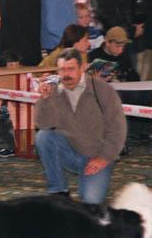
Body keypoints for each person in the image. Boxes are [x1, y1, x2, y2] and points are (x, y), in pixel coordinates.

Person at [34, 48, 127, 204]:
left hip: (97, 155)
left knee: (91, 202)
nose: (66, 74)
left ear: (82, 68)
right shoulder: (55, 90)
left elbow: (118, 127)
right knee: (43, 137)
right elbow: (43, 124)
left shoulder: (102, 90)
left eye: (71, 69)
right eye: (62, 70)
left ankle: (95, 175)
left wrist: (104, 158)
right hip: (69, 152)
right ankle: (58, 191)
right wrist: (45, 99)